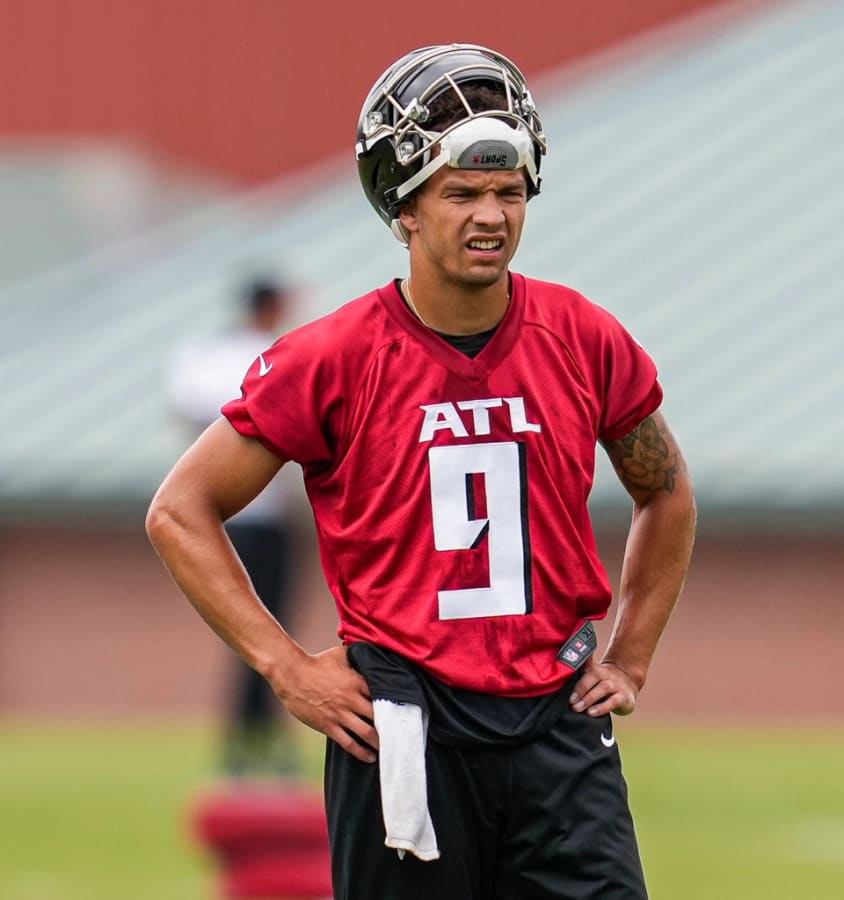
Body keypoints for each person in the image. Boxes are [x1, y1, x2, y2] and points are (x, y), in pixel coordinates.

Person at [146, 43, 696, 900]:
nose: (491, 216)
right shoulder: (331, 357)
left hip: (557, 720)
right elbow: (181, 510)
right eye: (462, 193)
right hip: (405, 726)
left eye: (509, 191)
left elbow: (664, 492)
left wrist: (630, 655)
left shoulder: (582, 335)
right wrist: (286, 667)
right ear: (403, 209)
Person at [165, 276, 300, 777]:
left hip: (217, 511)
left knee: (244, 632)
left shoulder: (199, 355)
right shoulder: (271, 354)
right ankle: (255, 743)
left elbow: (187, 419)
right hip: (258, 516)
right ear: (273, 305)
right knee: (266, 628)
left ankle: (249, 741)